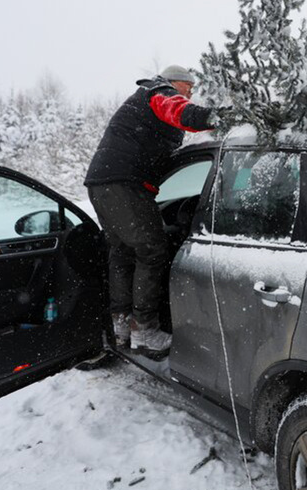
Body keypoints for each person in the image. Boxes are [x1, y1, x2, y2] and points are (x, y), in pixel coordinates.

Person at [84, 65, 218, 358]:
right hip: (125, 183)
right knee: (153, 250)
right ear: (173, 83)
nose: (190, 93)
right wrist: (218, 117)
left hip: (102, 183)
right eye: (188, 87)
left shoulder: (144, 106)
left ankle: (121, 326)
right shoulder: (158, 92)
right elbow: (181, 112)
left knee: (122, 252)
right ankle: (144, 330)